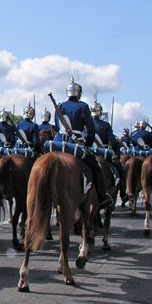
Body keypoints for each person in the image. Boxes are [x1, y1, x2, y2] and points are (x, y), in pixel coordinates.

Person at [54, 78, 111, 208]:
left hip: (59, 142)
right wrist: (88, 143)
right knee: (96, 167)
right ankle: (102, 197)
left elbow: (58, 127)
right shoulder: (83, 106)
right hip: (76, 144)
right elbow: (91, 130)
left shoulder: (60, 106)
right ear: (78, 93)